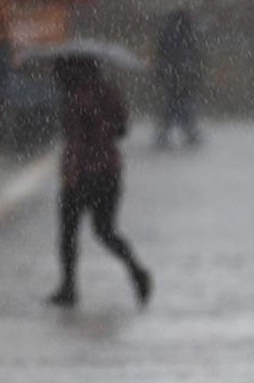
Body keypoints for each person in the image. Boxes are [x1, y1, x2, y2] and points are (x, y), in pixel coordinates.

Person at [49, 57, 151, 308]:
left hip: (81, 173)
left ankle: (69, 287)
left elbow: (74, 141)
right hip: (109, 172)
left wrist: (72, 171)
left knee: (68, 232)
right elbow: (122, 129)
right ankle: (136, 269)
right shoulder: (108, 91)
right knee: (106, 230)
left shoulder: (73, 98)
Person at [154, 8, 202, 148]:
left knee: (172, 104)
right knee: (183, 105)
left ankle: (166, 133)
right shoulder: (186, 32)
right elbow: (193, 52)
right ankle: (188, 132)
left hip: (173, 75)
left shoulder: (169, 32)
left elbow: (161, 52)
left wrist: (162, 71)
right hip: (182, 75)